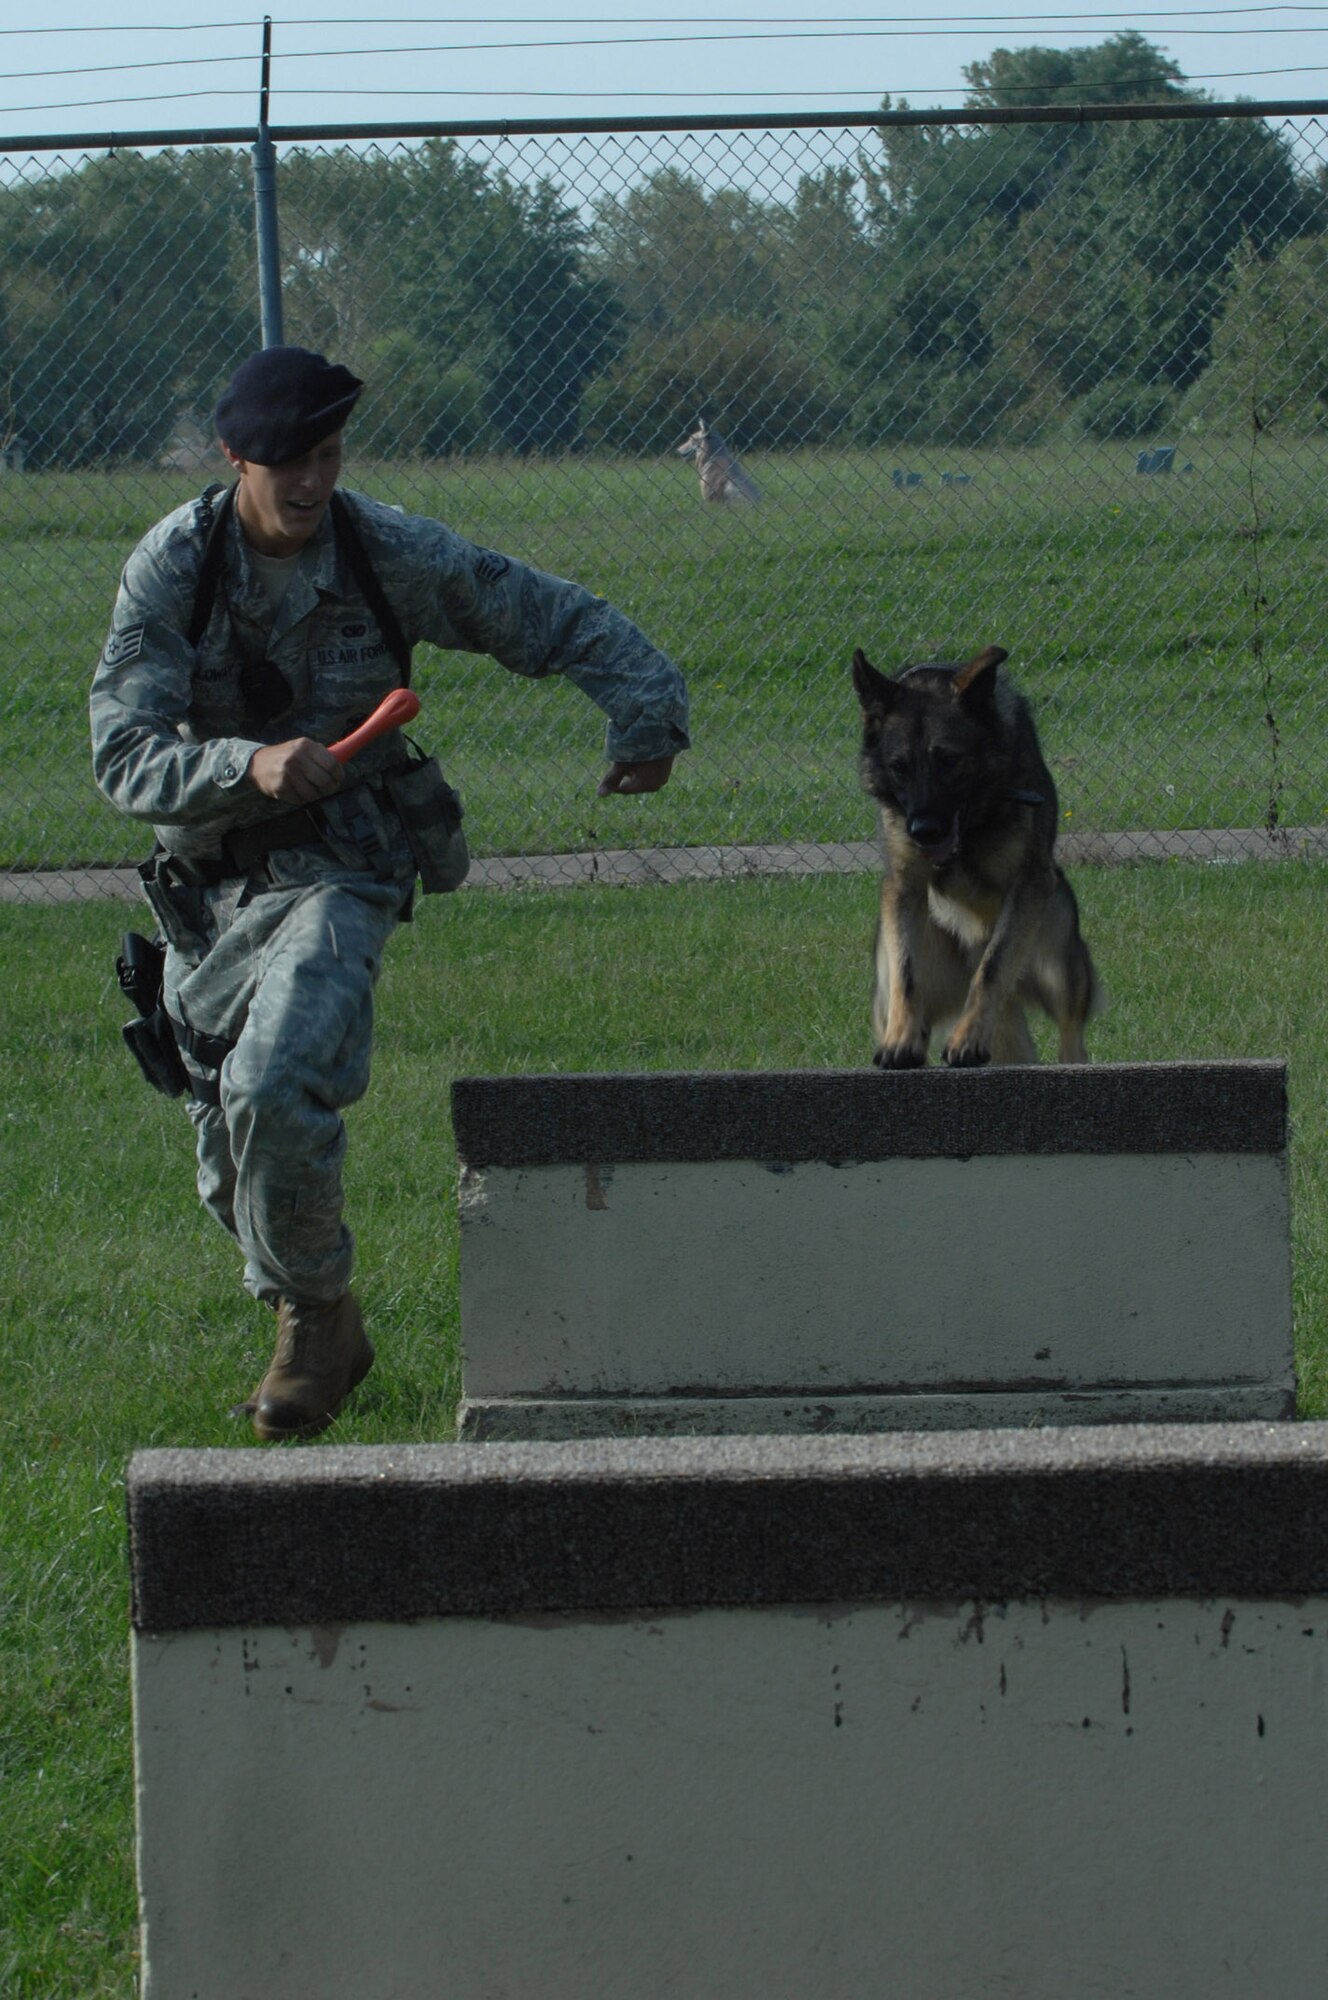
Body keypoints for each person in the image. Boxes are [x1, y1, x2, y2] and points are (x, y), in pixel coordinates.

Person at [91, 345, 690, 1442]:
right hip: (212, 895)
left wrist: (645, 715)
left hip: (345, 868)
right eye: (290, 462)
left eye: (328, 455)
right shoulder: (176, 565)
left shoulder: (384, 549)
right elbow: (122, 757)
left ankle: (312, 1323)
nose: (313, 482)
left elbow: (543, 612)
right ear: (235, 458)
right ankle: (321, 1309)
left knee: (275, 1083)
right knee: (229, 1163)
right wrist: (247, 764)